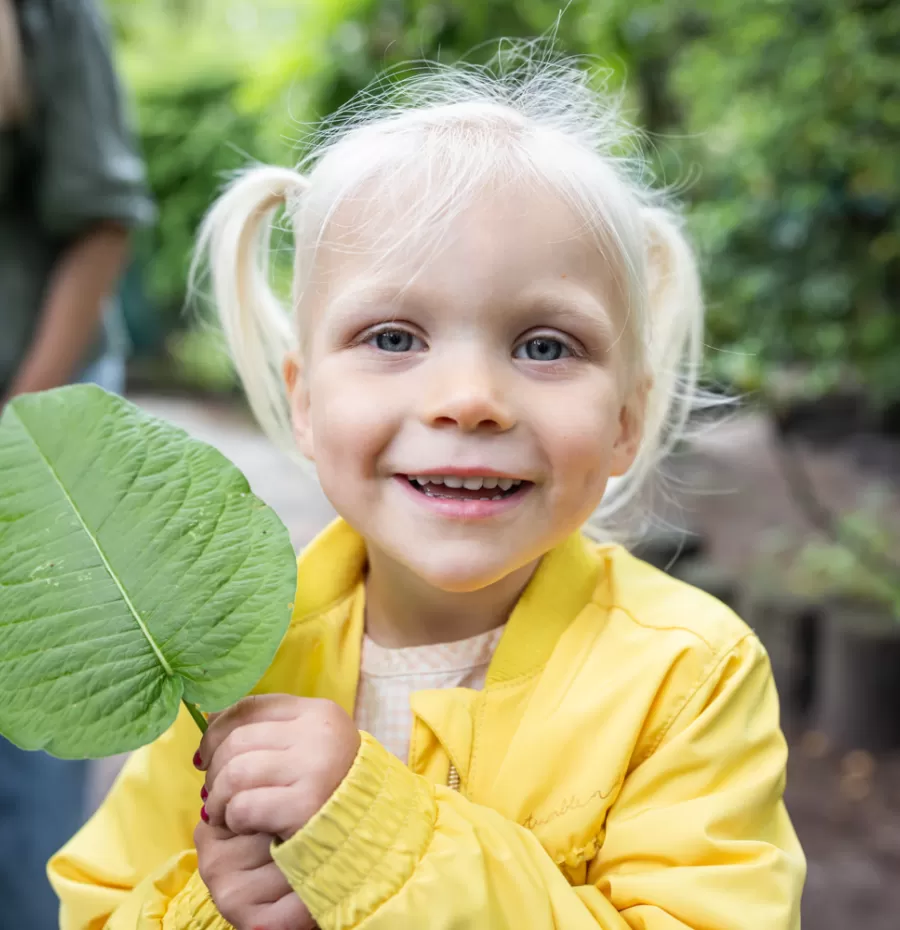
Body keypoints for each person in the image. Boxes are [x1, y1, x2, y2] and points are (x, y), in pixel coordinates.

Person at [48, 49, 805, 930]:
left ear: (627, 420)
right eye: (396, 337)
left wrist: (373, 841)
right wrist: (220, 911)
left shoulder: (687, 673)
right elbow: (100, 907)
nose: (469, 400)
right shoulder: (228, 655)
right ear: (303, 398)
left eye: (546, 346)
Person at [0, 0, 153, 927]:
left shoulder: (55, 18)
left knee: (35, 708)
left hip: (34, 398)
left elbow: (103, 222)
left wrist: (23, 421)